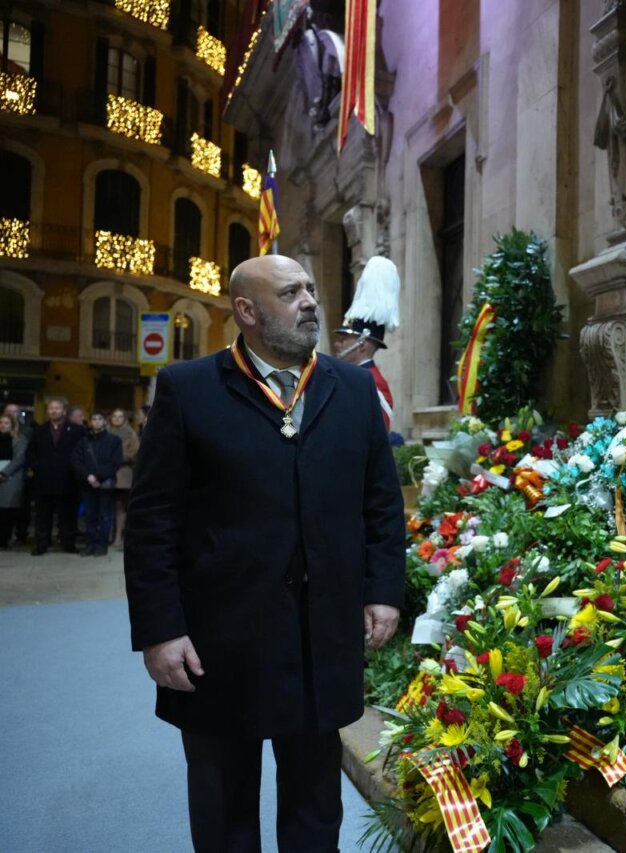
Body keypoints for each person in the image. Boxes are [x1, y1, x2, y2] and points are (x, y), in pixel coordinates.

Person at [125, 254, 404, 852]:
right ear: (247, 311)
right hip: (218, 640)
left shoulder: (351, 388)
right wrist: (159, 630)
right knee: (225, 808)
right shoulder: (188, 389)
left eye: (309, 287)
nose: (310, 301)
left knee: (314, 805)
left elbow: (380, 504)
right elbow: (151, 523)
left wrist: (382, 591)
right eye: (290, 292)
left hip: (319, 636)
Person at [331, 255, 400, 430]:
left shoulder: (373, 381)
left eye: (343, 339)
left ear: (362, 344)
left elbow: (372, 435)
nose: (337, 345)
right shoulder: (351, 376)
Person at [28, 397, 85, 555]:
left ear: (64, 411)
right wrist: (37, 467)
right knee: (43, 515)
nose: (54, 411)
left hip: (68, 479)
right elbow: (31, 453)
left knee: (68, 514)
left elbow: (81, 453)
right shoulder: (39, 430)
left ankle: (68, 543)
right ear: (48, 411)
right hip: (44, 480)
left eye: (57, 408)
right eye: (51, 408)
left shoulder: (76, 430)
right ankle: (42, 543)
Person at [71, 411, 122, 557]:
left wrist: (97, 476)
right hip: (87, 483)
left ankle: (102, 545)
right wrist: (88, 476)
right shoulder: (83, 441)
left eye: (100, 419)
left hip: (105, 483)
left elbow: (115, 462)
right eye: (94, 419)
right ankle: (90, 544)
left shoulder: (114, 440)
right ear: (91, 421)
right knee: (90, 515)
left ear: (105, 421)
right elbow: (76, 461)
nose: (97, 421)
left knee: (105, 515)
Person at [108, 408, 140, 549]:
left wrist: (114, 457)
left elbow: (134, 453)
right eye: (114, 416)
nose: (117, 419)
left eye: (120, 416)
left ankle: (118, 537)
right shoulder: (105, 431)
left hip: (123, 475)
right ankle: (107, 535)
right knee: (107, 507)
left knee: (121, 507)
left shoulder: (130, 434)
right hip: (106, 474)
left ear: (125, 418)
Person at [2, 402, 32, 545]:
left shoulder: (21, 438)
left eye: (6, 423)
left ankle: (11, 536)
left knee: (11, 511)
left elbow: (20, 458)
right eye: (1, 422)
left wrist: (4, 472)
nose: (3, 425)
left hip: (11, 477)